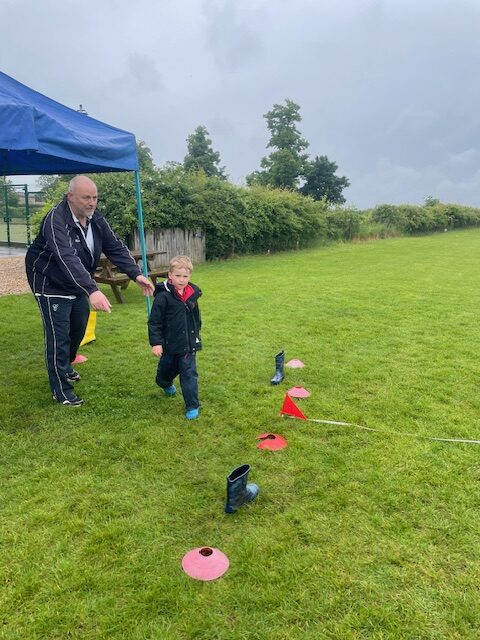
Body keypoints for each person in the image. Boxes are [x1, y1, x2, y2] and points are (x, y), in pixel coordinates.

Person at [25, 175, 154, 406]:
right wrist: (92, 289)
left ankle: (65, 365)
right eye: (86, 197)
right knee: (59, 334)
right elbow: (66, 257)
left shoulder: (95, 219)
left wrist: (137, 274)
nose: (92, 202)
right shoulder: (56, 219)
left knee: (79, 325)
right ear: (70, 197)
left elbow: (114, 246)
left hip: (75, 281)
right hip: (49, 280)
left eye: (95, 197)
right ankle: (62, 391)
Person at [148, 255, 202, 420]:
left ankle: (192, 405)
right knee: (167, 370)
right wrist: (157, 343)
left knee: (189, 374)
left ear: (189, 276)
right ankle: (164, 383)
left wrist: (196, 332)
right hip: (169, 344)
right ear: (170, 275)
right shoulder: (163, 297)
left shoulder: (192, 294)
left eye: (185, 276)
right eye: (178, 276)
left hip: (188, 344)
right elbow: (154, 322)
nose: (181, 279)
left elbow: (196, 317)